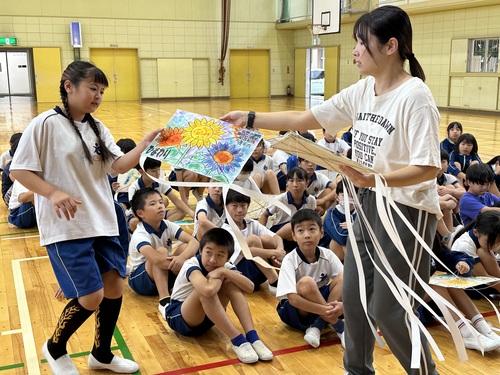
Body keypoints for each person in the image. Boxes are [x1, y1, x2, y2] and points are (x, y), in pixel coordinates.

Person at [222, 6, 442, 373]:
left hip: (406, 212)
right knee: (354, 304)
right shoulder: (362, 91)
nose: (355, 50)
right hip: (367, 204)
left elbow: (429, 167)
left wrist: (376, 179)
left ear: (390, 46)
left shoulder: (415, 96)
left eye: (361, 42)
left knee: (387, 312)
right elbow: (304, 119)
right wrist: (249, 119)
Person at [10, 60, 162, 375]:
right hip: (66, 226)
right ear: (70, 86)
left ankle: (101, 355)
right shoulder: (45, 124)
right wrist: (52, 193)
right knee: (91, 295)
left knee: (114, 288)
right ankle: (54, 348)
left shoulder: (96, 126)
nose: (98, 96)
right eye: (93, 88)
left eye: (102, 91)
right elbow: (19, 170)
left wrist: (146, 144)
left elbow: (118, 166)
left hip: (103, 220)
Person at [164, 228, 274, 364]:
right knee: (204, 291)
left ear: (228, 258)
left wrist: (224, 271)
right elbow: (208, 291)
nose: (212, 260)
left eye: (220, 255)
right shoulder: (191, 264)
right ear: (200, 251)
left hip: (207, 319)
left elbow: (249, 287)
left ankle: (253, 337)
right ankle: (238, 340)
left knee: (232, 285)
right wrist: (223, 275)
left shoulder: (225, 266)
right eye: (208, 252)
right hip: (179, 318)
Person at [276, 209, 344, 348]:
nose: (307, 235)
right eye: (301, 231)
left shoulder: (328, 254)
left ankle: (317, 326)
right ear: (293, 236)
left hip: (320, 303)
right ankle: (338, 325)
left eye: (312, 229)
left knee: (345, 276)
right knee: (306, 283)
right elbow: (292, 299)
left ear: (321, 232)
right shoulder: (290, 260)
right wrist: (328, 311)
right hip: (296, 310)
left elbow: (348, 285)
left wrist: (343, 306)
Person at [128, 187, 199, 320]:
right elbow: (157, 261)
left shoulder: (167, 224)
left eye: (161, 202)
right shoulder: (140, 234)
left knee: (184, 248)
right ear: (141, 213)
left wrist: (181, 258)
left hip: (165, 272)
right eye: (153, 204)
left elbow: (194, 242)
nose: (160, 206)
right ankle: (164, 300)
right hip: (141, 281)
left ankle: (185, 289)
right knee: (161, 252)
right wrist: (180, 262)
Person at [427, 235, 500, 351]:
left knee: (448, 281)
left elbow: (450, 256)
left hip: (433, 299)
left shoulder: (431, 240)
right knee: (437, 284)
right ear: (476, 232)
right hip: (408, 300)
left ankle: (482, 327)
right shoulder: (466, 243)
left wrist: (462, 262)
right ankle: (466, 332)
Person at [222, 189, 285, 294]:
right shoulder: (225, 229)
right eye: (234, 206)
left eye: (243, 206)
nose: (239, 210)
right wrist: (273, 253)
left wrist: (280, 249)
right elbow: (243, 251)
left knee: (267, 239)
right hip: (240, 274)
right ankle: (273, 279)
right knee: (253, 239)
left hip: (259, 271)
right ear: (226, 207)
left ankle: (283, 277)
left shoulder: (251, 223)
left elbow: (277, 237)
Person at [128, 157, 195, 232]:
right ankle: (157, 228)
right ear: (142, 172)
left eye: (158, 169)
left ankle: (161, 229)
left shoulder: (160, 182)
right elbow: (135, 211)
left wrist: (191, 213)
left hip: (157, 215)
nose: (157, 173)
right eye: (153, 171)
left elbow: (175, 200)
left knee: (183, 210)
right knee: (134, 222)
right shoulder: (134, 187)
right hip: (143, 217)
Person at [258, 167, 316, 251]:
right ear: (287, 182)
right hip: (279, 230)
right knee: (293, 224)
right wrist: (261, 234)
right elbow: (264, 215)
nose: (295, 185)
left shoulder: (311, 200)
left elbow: (311, 220)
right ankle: (274, 240)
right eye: (291, 181)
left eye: (299, 180)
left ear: (307, 183)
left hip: (299, 235)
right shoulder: (280, 199)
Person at [450, 210, 500, 293]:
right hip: (470, 286)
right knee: (482, 252)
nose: (494, 245)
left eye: (498, 241)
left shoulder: (483, 239)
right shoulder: (465, 245)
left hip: (488, 280)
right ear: (475, 232)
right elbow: (484, 278)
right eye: (491, 241)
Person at [322, 179, 357, 262]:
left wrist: (353, 226)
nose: (348, 199)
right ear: (337, 197)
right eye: (344, 195)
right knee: (343, 242)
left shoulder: (360, 212)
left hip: (354, 249)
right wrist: (356, 228)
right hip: (328, 251)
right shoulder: (332, 214)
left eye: (352, 195)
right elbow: (341, 237)